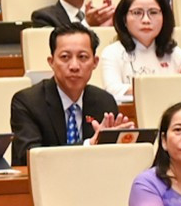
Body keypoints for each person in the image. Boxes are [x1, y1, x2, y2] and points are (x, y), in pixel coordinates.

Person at [9, 23, 129, 164]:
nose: (74, 66)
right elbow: (28, 156)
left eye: (82, 57)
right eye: (65, 57)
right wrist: (89, 145)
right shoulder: (28, 102)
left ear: (95, 62)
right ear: (51, 61)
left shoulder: (104, 101)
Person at [99, 0, 181, 103]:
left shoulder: (173, 51)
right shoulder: (112, 52)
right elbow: (112, 90)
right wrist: (169, 86)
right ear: (124, 20)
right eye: (137, 13)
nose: (146, 20)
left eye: (153, 12)